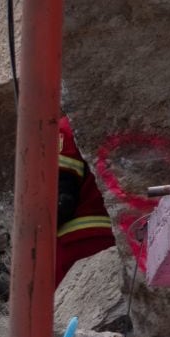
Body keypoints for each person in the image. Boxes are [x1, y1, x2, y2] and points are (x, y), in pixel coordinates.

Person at [55, 114, 115, 289]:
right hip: (119, 243)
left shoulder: (67, 127)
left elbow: (61, 200)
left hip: (74, 244)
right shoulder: (127, 123)